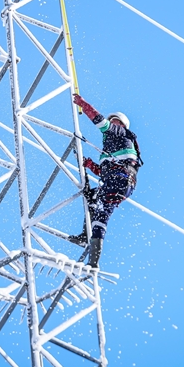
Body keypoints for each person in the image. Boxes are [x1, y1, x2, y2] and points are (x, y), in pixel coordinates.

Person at [68, 94, 142, 268]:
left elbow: (100, 122)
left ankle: (92, 254)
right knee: (94, 202)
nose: (111, 123)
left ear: (121, 125)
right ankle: (88, 244)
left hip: (121, 180)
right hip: (117, 181)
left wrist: (83, 104)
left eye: (115, 121)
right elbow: (103, 171)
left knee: (101, 207)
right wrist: (89, 164)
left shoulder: (123, 133)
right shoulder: (111, 150)